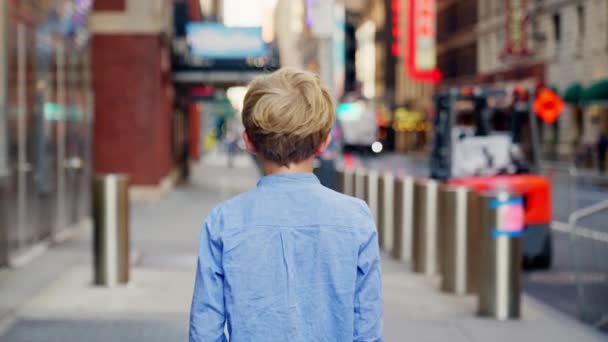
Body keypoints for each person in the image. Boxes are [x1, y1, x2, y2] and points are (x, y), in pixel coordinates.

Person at [189, 68, 384, 341]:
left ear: (248, 141)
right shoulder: (356, 219)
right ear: (324, 142)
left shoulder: (223, 222)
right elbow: (367, 332)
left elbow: (205, 333)